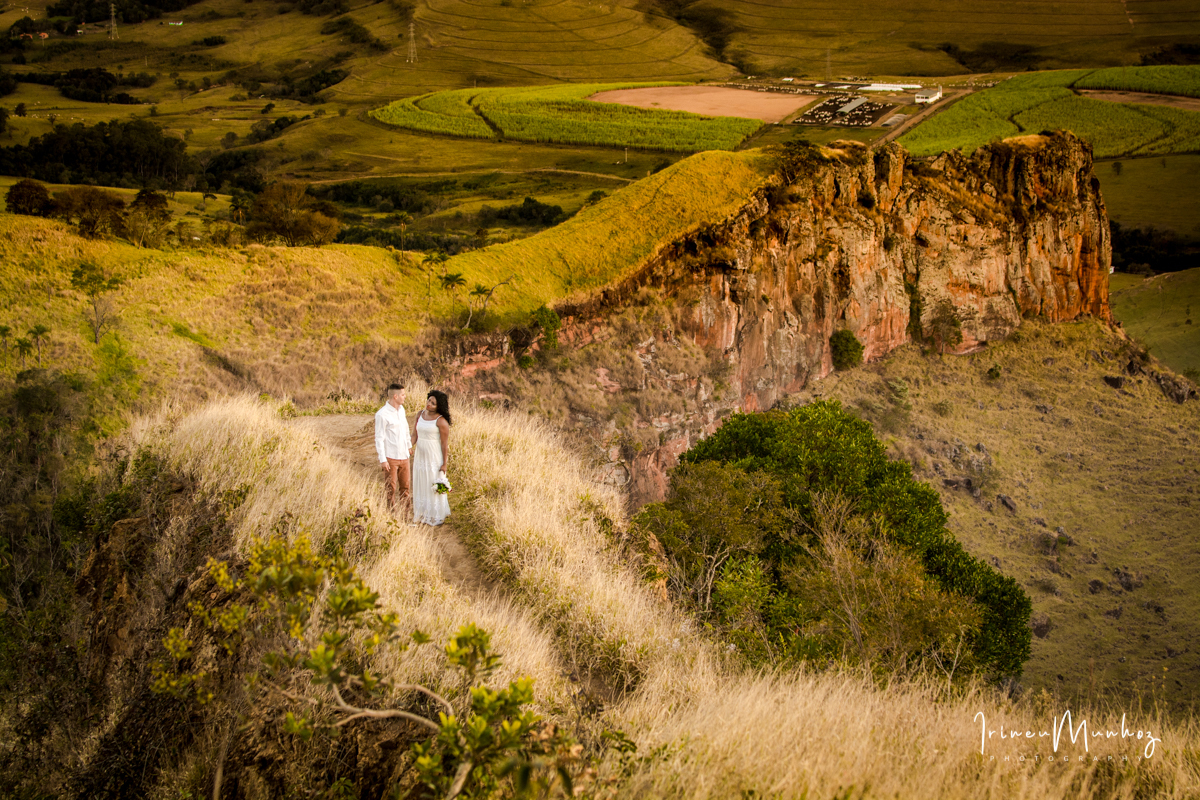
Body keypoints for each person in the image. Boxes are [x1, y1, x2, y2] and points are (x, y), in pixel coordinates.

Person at [411, 389, 451, 526]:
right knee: (421, 481)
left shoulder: (441, 422)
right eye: (429, 400)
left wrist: (444, 464)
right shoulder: (419, 415)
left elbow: (444, 444)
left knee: (432, 483)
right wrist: (408, 446)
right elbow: (414, 435)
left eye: (433, 403)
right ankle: (422, 512)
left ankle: (434, 514)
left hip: (433, 457)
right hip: (420, 456)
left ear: (438, 406)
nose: (429, 404)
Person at [374, 383, 410, 514]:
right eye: (402, 394)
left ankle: (405, 515)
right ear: (395, 396)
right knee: (391, 489)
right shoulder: (382, 414)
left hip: (404, 456)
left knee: (405, 488)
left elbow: (405, 429)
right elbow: (379, 438)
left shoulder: (402, 410)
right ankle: (392, 516)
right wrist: (383, 459)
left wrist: (409, 446)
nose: (405, 397)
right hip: (391, 457)